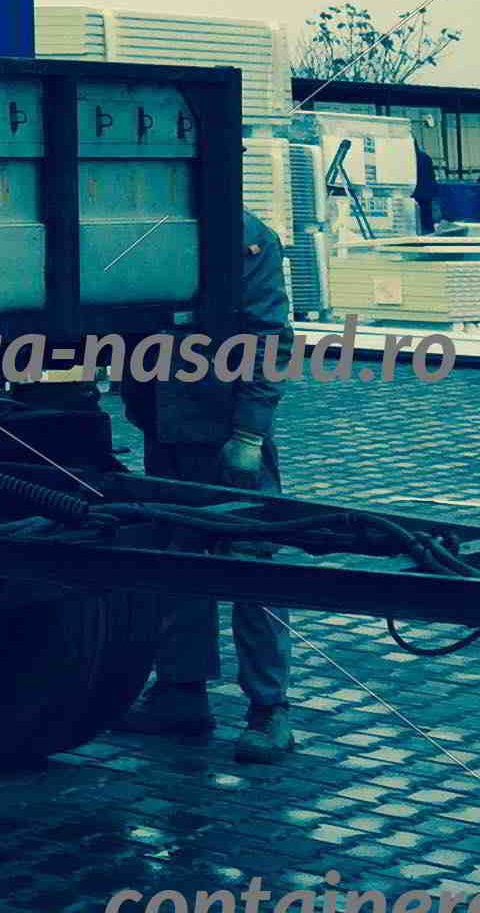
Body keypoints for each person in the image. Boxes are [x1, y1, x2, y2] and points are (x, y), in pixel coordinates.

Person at [117, 214, 295, 764]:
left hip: (226, 435)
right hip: (167, 430)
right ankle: (180, 693)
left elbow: (269, 337)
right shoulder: (145, 226)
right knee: (177, 560)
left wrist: (248, 433)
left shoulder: (247, 236)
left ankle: (270, 709)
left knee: (251, 564)